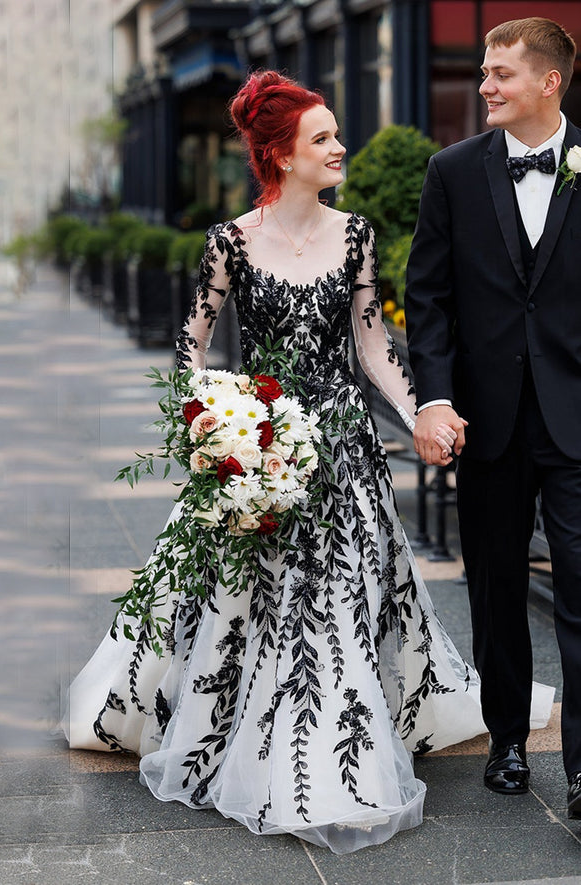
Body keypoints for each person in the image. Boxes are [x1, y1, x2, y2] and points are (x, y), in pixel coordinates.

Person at [65, 71, 542, 855]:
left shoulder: (355, 233)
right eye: (323, 138)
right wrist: (213, 423)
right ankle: (254, 732)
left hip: (344, 450)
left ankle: (334, 757)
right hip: (258, 444)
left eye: (335, 135)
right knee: (248, 603)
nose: (339, 147)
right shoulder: (229, 241)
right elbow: (191, 341)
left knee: (342, 603)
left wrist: (420, 402)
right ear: (281, 154)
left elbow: (369, 342)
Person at [405, 16, 581, 816]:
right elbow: (429, 299)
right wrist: (435, 399)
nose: (484, 87)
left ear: (549, 81)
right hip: (487, 421)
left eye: (500, 74)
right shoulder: (452, 170)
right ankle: (507, 736)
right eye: (481, 72)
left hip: (578, 421)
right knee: (497, 586)